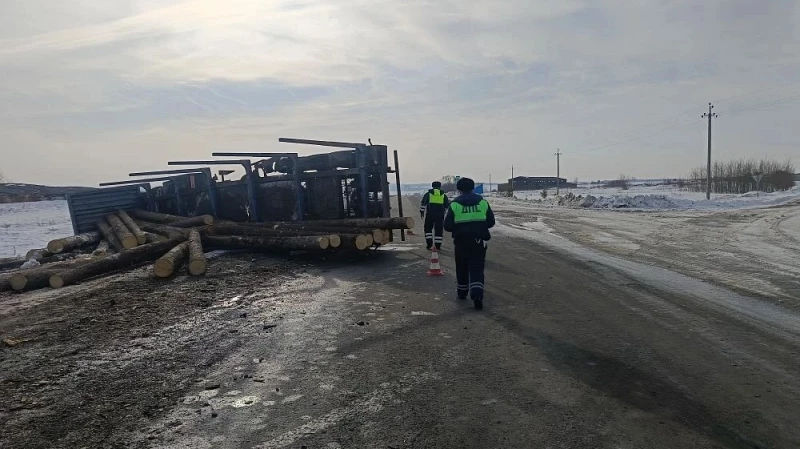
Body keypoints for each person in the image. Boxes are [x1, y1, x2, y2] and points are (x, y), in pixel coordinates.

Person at [443, 177, 495, 310]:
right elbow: (491, 222)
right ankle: (477, 296)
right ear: (473, 188)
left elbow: (447, 226)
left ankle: (462, 293)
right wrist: (479, 226)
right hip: (478, 241)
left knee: (462, 267)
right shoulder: (483, 202)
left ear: (459, 189)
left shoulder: (454, 204)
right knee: (477, 268)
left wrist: (460, 227)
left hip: (461, 242)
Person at [419, 181, 449, 250]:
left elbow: (423, 203)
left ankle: (429, 244)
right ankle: (438, 246)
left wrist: (422, 211)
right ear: (440, 186)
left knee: (428, 228)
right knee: (439, 230)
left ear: (432, 186)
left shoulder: (428, 194)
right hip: (440, 215)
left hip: (430, 214)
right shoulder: (443, 195)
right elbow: (447, 206)